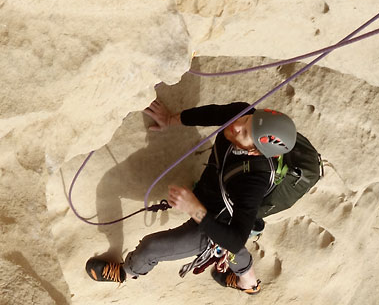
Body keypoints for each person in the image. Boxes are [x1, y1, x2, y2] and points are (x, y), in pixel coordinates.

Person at [85, 99, 297, 294]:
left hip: (218, 220)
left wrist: (194, 208)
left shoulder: (253, 181)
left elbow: (235, 240)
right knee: (231, 244)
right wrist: (170, 119)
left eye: (245, 133)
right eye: (247, 120)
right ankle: (247, 281)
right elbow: (212, 113)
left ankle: (127, 272)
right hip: (213, 195)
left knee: (151, 247)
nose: (236, 126)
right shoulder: (242, 114)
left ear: (254, 152)